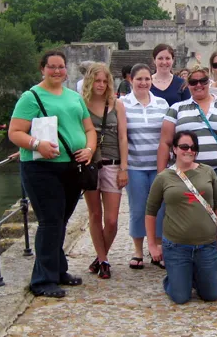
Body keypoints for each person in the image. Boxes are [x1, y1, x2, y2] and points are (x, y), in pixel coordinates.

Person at [8, 49, 97, 298]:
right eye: (52, 67)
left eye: (61, 67)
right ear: (43, 69)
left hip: (71, 166)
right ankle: (42, 280)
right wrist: (38, 144)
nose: (57, 71)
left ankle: (57, 270)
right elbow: (15, 132)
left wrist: (89, 149)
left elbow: (89, 128)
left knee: (61, 220)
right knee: (50, 222)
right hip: (41, 168)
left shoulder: (74, 97)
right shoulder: (31, 97)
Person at [158, 65, 217, 277]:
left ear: (209, 81)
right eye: (194, 82)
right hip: (186, 172)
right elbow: (165, 141)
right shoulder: (177, 109)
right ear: (188, 85)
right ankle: (193, 259)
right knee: (188, 216)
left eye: (203, 80)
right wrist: (162, 174)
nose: (198, 85)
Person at [146, 131, 217, 304]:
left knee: (211, 295)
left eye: (193, 147)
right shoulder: (163, 177)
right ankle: (174, 280)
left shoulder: (208, 172)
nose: (189, 150)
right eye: (184, 147)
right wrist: (152, 244)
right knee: (180, 297)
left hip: (206, 245)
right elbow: (151, 211)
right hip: (176, 246)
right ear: (174, 149)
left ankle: (191, 276)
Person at [81, 63, 129, 279]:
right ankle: (104, 261)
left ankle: (101, 257)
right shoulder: (81, 104)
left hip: (112, 163)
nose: (100, 85)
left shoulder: (116, 105)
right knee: (95, 214)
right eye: (97, 80)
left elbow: (122, 137)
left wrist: (124, 168)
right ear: (90, 81)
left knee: (111, 220)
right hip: (89, 165)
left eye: (104, 81)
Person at [123, 63, 169, 270]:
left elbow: (167, 135)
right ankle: (138, 250)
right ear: (131, 80)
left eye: (147, 79)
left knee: (160, 208)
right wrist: (123, 166)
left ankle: (157, 249)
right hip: (135, 165)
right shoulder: (122, 104)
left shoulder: (162, 103)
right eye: (139, 79)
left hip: (158, 165)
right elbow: (121, 138)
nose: (143, 83)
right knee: (138, 207)